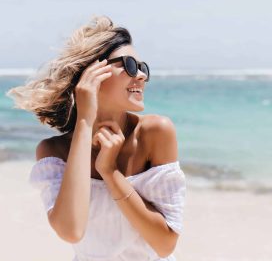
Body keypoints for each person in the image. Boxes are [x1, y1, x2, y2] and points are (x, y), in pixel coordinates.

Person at [6, 15, 186, 261]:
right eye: (130, 65)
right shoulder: (54, 151)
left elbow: (165, 244)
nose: (141, 76)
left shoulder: (154, 132)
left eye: (143, 68)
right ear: (93, 72)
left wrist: (110, 173)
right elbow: (71, 231)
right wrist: (84, 122)